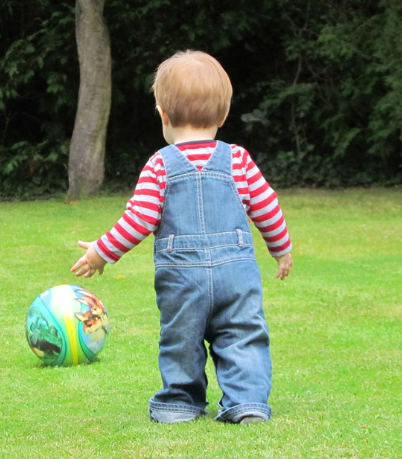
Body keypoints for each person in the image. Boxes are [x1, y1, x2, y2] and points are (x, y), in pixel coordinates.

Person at [71, 50, 293, 425]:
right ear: (222, 116)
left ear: (163, 115)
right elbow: (267, 207)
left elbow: (137, 219)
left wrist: (101, 253)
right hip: (236, 275)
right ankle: (248, 401)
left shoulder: (160, 165)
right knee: (243, 335)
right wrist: (280, 249)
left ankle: (179, 403)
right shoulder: (238, 160)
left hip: (181, 279)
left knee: (181, 339)